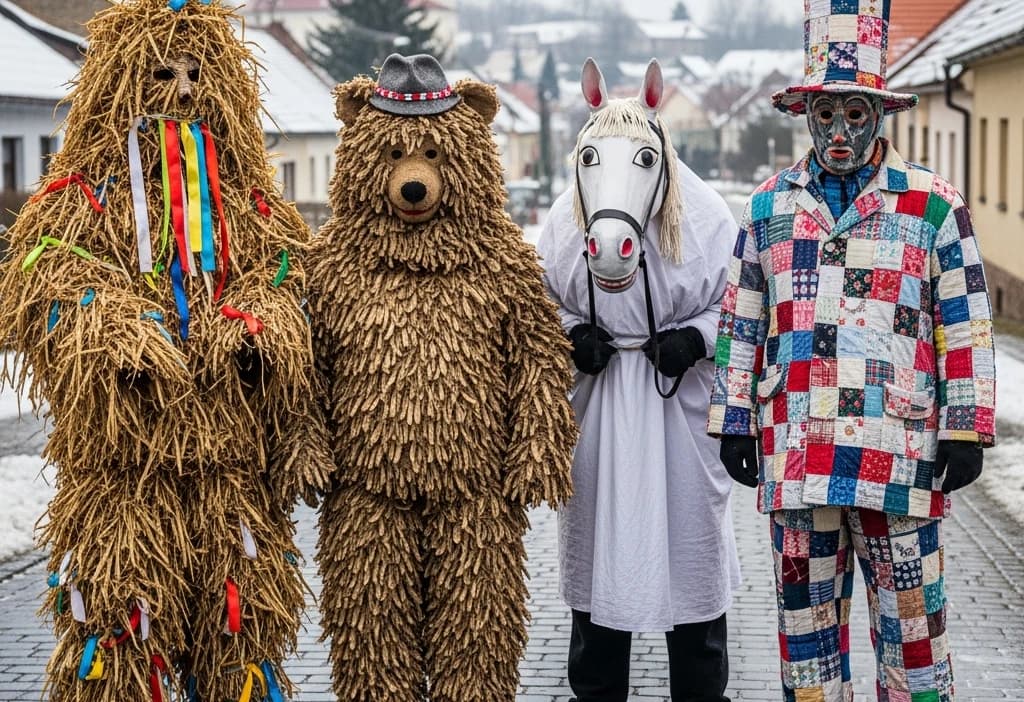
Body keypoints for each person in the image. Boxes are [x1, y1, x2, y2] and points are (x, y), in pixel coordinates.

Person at [707, 2, 997, 700]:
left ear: (880, 114)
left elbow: (964, 322)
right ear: (805, 113)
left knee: (914, 639)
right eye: (826, 114)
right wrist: (734, 418)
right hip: (798, 451)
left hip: (898, 454)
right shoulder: (769, 209)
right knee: (807, 646)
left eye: (856, 114)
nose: (839, 132)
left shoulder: (930, 206)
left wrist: (966, 427)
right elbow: (742, 321)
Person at [537, 57, 740, 702]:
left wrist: (696, 339)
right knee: (598, 554)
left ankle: (701, 689)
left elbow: (739, 305)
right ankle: (596, 689)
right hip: (600, 410)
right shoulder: (566, 225)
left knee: (693, 552)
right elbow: (543, 300)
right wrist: (572, 336)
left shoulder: (708, 220)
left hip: (678, 408)